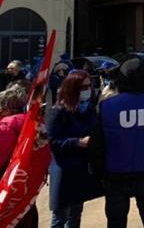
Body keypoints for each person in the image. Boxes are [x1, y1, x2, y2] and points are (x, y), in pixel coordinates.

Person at [89, 58, 144, 228]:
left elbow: (97, 145)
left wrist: (100, 173)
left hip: (115, 176)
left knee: (116, 222)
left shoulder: (108, 106)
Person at [47, 70, 103, 227]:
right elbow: (50, 141)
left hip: (82, 167)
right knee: (60, 215)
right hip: (64, 169)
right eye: (83, 87)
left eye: (89, 86)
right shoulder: (59, 111)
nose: (87, 90)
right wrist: (76, 142)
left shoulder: (89, 109)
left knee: (76, 212)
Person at [0, 87, 37, 228]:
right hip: (26, 190)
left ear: (6, 109)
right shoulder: (33, 125)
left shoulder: (5, 128)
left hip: (6, 192)